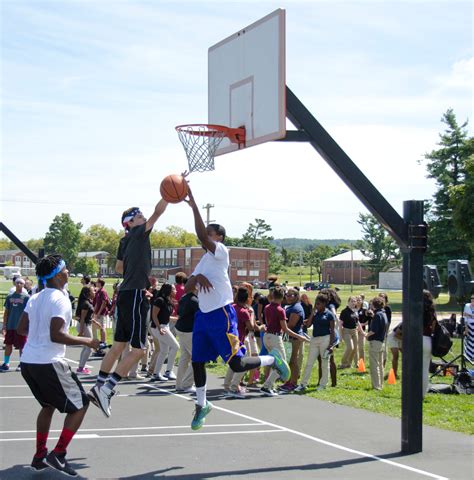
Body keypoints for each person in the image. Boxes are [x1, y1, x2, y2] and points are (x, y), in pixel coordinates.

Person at [184, 185, 290, 430]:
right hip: (203, 316)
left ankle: (270, 359)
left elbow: (201, 235)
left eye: (209, 233)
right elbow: (189, 286)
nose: (205, 236)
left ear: (218, 237)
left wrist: (194, 206)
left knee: (236, 364)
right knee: (196, 361)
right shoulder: (203, 260)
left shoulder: (221, 252)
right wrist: (197, 279)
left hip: (222, 313)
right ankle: (202, 404)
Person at [17, 254, 100, 476]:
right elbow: (57, 335)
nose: (68, 272)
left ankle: (39, 455)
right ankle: (59, 453)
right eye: (65, 269)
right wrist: (87, 341)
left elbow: (21, 328)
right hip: (48, 363)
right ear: (58, 275)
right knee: (81, 404)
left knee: (48, 405)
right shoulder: (60, 299)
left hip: (28, 362)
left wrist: (39, 334)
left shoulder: (36, 297)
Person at [88, 199, 168, 417]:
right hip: (133, 294)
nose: (143, 218)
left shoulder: (124, 241)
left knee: (118, 346)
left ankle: (98, 385)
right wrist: (169, 195)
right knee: (139, 350)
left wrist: (136, 269)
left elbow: (118, 267)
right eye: (139, 216)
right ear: (130, 222)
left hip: (126, 293)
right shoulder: (139, 232)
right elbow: (158, 212)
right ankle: (106, 389)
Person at [260, 286, 308, 397]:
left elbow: (269, 323)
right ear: (282, 297)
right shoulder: (280, 310)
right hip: (275, 337)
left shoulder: (267, 307)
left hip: (266, 336)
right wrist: (300, 337)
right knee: (282, 364)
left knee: (274, 361)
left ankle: (269, 385)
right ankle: (267, 386)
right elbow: (285, 328)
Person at [295, 293, 336, 392]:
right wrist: (312, 313)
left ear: (324, 304)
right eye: (316, 303)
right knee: (309, 362)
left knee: (324, 363)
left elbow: (332, 331)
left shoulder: (329, 314)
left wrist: (331, 345)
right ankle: (303, 384)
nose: (316, 305)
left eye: (319, 304)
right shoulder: (315, 313)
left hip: (325, 339)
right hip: (314, 339)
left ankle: (323, 384)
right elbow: (308, 325)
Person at [150, 283, 179, 381]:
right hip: (159, 327)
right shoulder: (160, 300)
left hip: (164, 326)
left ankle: (156, 373)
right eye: (174, 289)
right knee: (176, 346)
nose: (176, 291)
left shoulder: (167, 301)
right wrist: (159, 328)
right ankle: (168, 371)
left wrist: (176, 319)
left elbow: (165, 316)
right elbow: (154, 315)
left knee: (164, 351)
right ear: (169, 291)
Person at [1, 277, 29, 372]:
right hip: (10, 326)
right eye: (17, 283)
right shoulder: (10, 297)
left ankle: (22, 363)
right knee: (8, 344)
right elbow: (6, 312)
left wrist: (27, 326)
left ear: (23, 285)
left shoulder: (26, 297)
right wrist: (4, 325)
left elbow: (29, 313)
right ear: (15, 284)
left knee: (22, 346)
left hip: (21, 327)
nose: (19, 284)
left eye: (21, 283)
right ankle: (6, 363)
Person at [175, 286, 199, 393]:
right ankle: (187, 384)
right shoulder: (194, 300)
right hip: (189, 331)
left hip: (180, 328)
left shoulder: (184, 298)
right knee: (197, 357)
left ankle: (179, 384)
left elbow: (179, 312)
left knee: (185, 356)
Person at [281, 288, 306, 392]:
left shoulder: (296, 308)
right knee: (289, 360)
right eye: (286, 295)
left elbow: (291, 324)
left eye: (290, 295)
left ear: (296, 297)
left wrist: (281, 327)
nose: (287, 297)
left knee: (293, 361)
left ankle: (294, 383)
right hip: (289, 337)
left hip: (294, 338)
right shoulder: (290, 306)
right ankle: (289, 381)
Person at [365, 296, 388, 390]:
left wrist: (366, 335)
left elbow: (373, 330)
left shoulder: (377, 315)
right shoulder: (384, 314)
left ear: (374, 305)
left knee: (374, 365)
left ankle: (376, 386)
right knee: (380, 364)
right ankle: (381, 384)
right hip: (382, 341)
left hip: (375, 342)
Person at [76, 286, 96, 375]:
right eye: (93, 291)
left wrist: (95, 322)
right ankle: (81, 368)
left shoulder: (87, 302)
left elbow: (88, 317)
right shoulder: (85, 304)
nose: (95, 292)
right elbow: (83, 318)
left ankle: (81, 367)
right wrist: (81, 331)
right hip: (84, 326)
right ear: (88, 293)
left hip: (85, 325)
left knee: (86, 348)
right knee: (89, 348)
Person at [422, 290, 437, 397]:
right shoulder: (432, 311)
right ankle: (422, 393)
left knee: (413, 368)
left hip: (416, 339)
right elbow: (434, 327)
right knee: (425, 369)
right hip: (428, 339)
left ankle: (412, 392)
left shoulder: (416, 310)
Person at [338, 296, 359, 369]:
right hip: (346, 331)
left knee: (355, 349)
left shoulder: (355, 311)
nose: (353, 303)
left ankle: (349, 364)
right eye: (352, 301)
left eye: (355, 301)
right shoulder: (344, 311)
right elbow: (340, 324)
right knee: (350, 347)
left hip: (354, 331)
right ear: (348, 302)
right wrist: (340, 336)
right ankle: (343, 363)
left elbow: (357, 322)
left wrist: (362, 332)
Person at [92, 279, 109, 347]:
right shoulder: (98, 291)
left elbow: (104, 303)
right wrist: (94, 312)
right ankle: (98, 340)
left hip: (102, 313)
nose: (96, 283)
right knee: (97, 326)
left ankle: (103, 341)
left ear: (100, 283)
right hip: (97, 312)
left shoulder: (103, 292)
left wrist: (99, 313)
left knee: (102, 327)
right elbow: (96, 303)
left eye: (97, 282)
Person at [463, 295, 474, 362]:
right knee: (468, 341)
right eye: (472, 299)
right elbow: (464, 316)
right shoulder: (467, 306)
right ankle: (467, 356)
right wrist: (466, 327)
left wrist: (469, 315)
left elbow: (466, 314)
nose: (472, 300)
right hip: (469, 326)